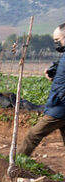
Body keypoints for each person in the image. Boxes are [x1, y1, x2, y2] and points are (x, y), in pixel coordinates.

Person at [20, 23, 65, 156]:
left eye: (58, 40)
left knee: (32, 135)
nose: (56, 43)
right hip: (59, 106)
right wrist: (53, 77)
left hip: (60, 108)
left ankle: (15, 166)